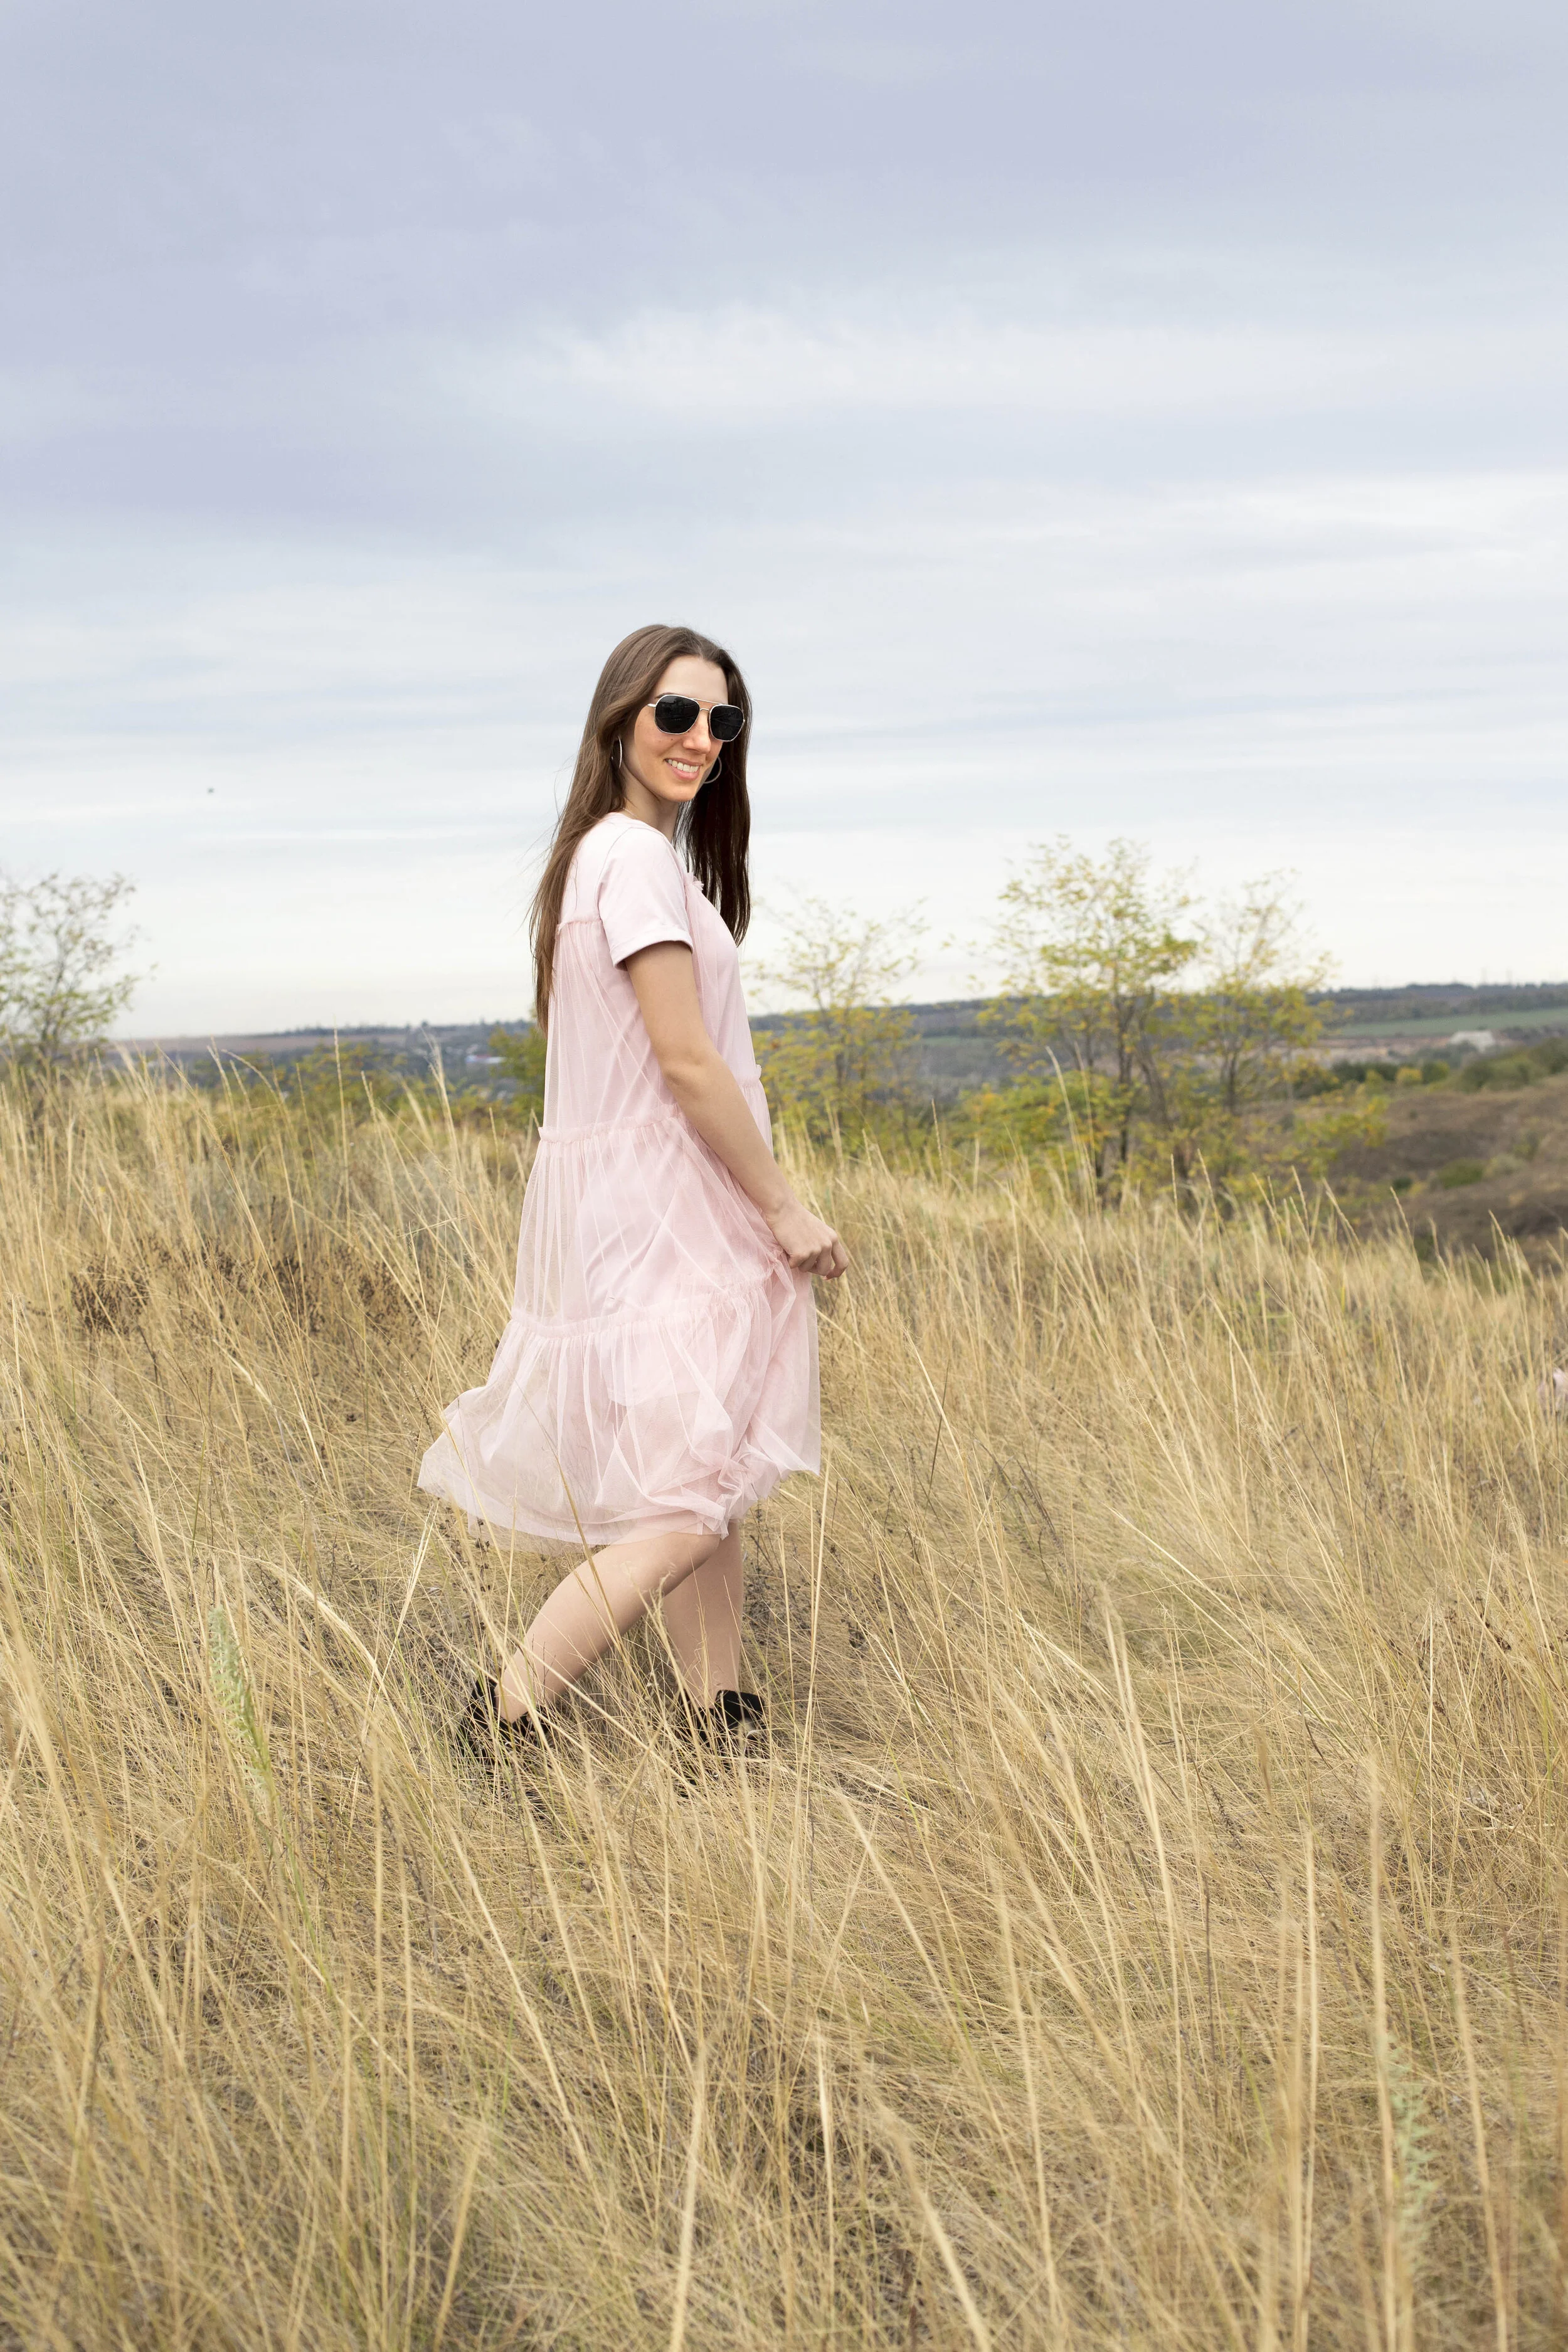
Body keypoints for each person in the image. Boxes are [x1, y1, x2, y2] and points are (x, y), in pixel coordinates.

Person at [418, 623, 848, 1757]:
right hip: (669, 1221)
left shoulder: (608, 859)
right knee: (679, 1511)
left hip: (656, 1218)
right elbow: (687, 1062)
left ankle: (721, 1717)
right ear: (620, 717)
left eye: (724, 721)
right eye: (677, 713)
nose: (701, 738)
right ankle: (501, 1715)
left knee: (703, 1483)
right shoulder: (634, 859)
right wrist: (786, 1207)